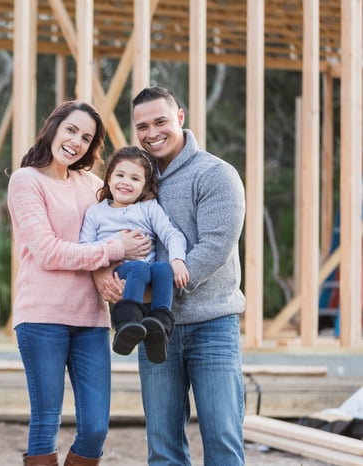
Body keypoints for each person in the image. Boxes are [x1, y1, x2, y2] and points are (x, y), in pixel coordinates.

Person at [7, 101, 150, 466]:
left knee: (96, 427)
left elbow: (94, 242)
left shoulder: (91, 184)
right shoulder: (26, 180)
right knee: (46, 422)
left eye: (87, 137)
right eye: (71, 130)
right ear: (53, 127)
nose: (77, 142)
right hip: (42, 316)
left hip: (91, 317)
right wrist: (116, 248)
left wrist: (104, 269)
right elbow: (47, 252)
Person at [131, 86, 246, 465]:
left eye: (160, 121)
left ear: (180, 117)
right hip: (155, 329)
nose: (152, 133)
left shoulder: (216, 174)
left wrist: (158, 292)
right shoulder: (136, 180)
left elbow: (215, 247)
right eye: (142, 126)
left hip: (211, 325)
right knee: (163, 447)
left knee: (222, 441)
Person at [79, 146, 189, 362]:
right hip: (120, 271)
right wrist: (116, 246)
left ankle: (159, 324)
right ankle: (127, 324)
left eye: (135, 178)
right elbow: (85, 247)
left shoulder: (148, 208)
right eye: (120, 175)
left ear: (145, 185)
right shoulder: (96, 212)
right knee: (138, 267)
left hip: (147, 272)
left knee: (163, 268)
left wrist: (177, 260)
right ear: (109, 178)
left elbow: (172, 234)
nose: (126, 182)